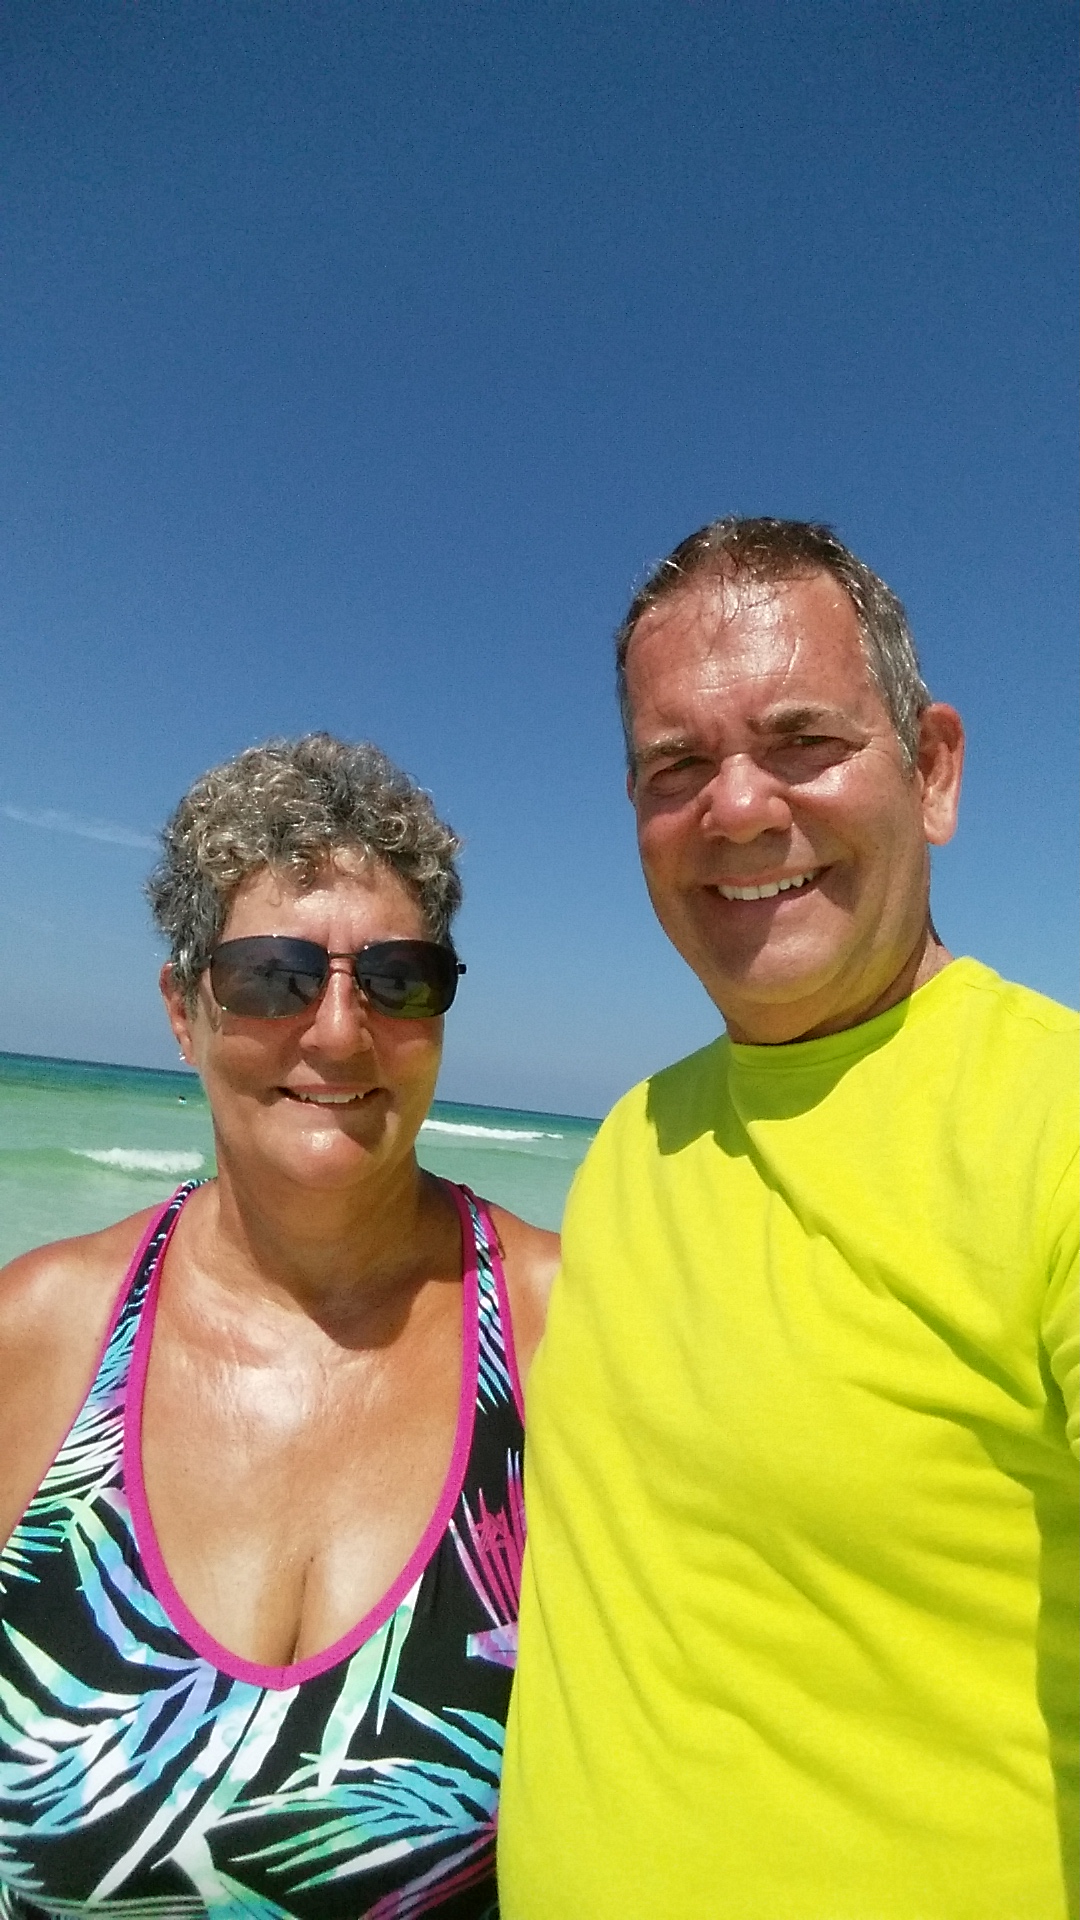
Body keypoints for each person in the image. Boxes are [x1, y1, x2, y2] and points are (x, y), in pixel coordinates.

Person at [499, 518, 1080, 1918]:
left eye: (802, 741)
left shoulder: (1051, 1124)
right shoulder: (632, 1140)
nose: (739, 810)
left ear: (932, 771)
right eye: (677, 766)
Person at [0, 733, 557, 1919]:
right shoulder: (38, 1335)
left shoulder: (564, 1327)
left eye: (399, 978)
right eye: (271, 976)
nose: (341, 1032)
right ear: (183, 1009)